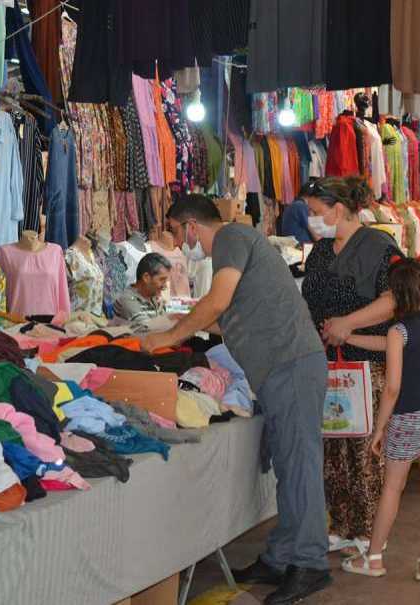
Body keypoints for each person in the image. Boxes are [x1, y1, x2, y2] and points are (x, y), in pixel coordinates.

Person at [139, 194, 331, 605]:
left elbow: (218, 302)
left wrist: (168, 337)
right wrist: (184, 323)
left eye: (176, 231)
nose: (177, 242)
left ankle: (310, 563)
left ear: (191, 225)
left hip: (292, 367)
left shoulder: (231, 238)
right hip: (281, 370)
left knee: (300, 467)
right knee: (289, 467)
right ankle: (283, 556)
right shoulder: (236, 250)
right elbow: (230, 319)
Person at [300, 176, 402, 555]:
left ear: (338, 209)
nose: (312, 219)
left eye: (316, 211)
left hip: (366, 365)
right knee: (333, 449)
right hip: (327, 365)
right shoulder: (321, 251)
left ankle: (370, 531)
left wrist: (348, 323)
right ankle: (341, 524)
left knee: (363, 451)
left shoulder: (378, 246)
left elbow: (394, 299)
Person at [340, 257, 420, 583]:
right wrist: (351, 338)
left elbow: (392, 387)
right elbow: (396, 346)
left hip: (407, 418)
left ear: (394, 294)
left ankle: (374, 558)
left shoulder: (397, 330)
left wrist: (379, 428)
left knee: (393, 487)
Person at [113, 252, 171, 325]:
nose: (165, 286)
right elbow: (149, 328)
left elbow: (166, 324)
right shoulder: (127, 300)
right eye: (162, 279)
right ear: (146, 277)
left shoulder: (153, 298)